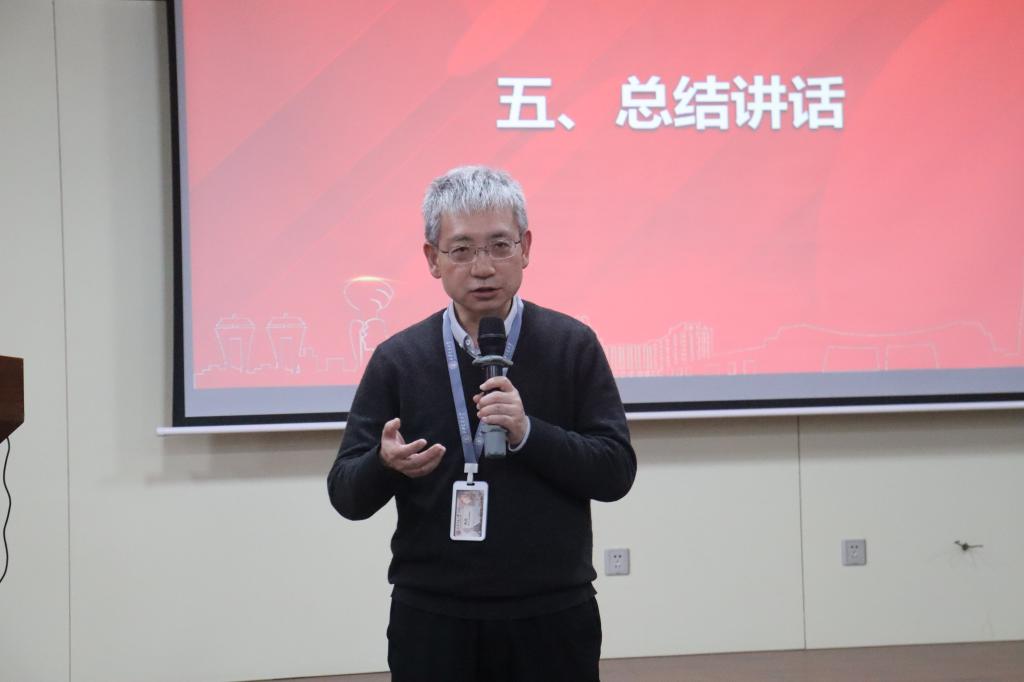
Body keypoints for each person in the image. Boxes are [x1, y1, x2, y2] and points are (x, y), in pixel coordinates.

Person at [327, 165, 636, 682]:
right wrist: (384, 465)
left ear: (526, 248)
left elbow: (615, 472)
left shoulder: (571, 344)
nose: (483, 268)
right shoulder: (398, 359)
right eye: (462, 250)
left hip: (551, 614)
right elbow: (345, 494)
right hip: (433, 617)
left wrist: (530, 433)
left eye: (499, 246)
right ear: (432, 258)